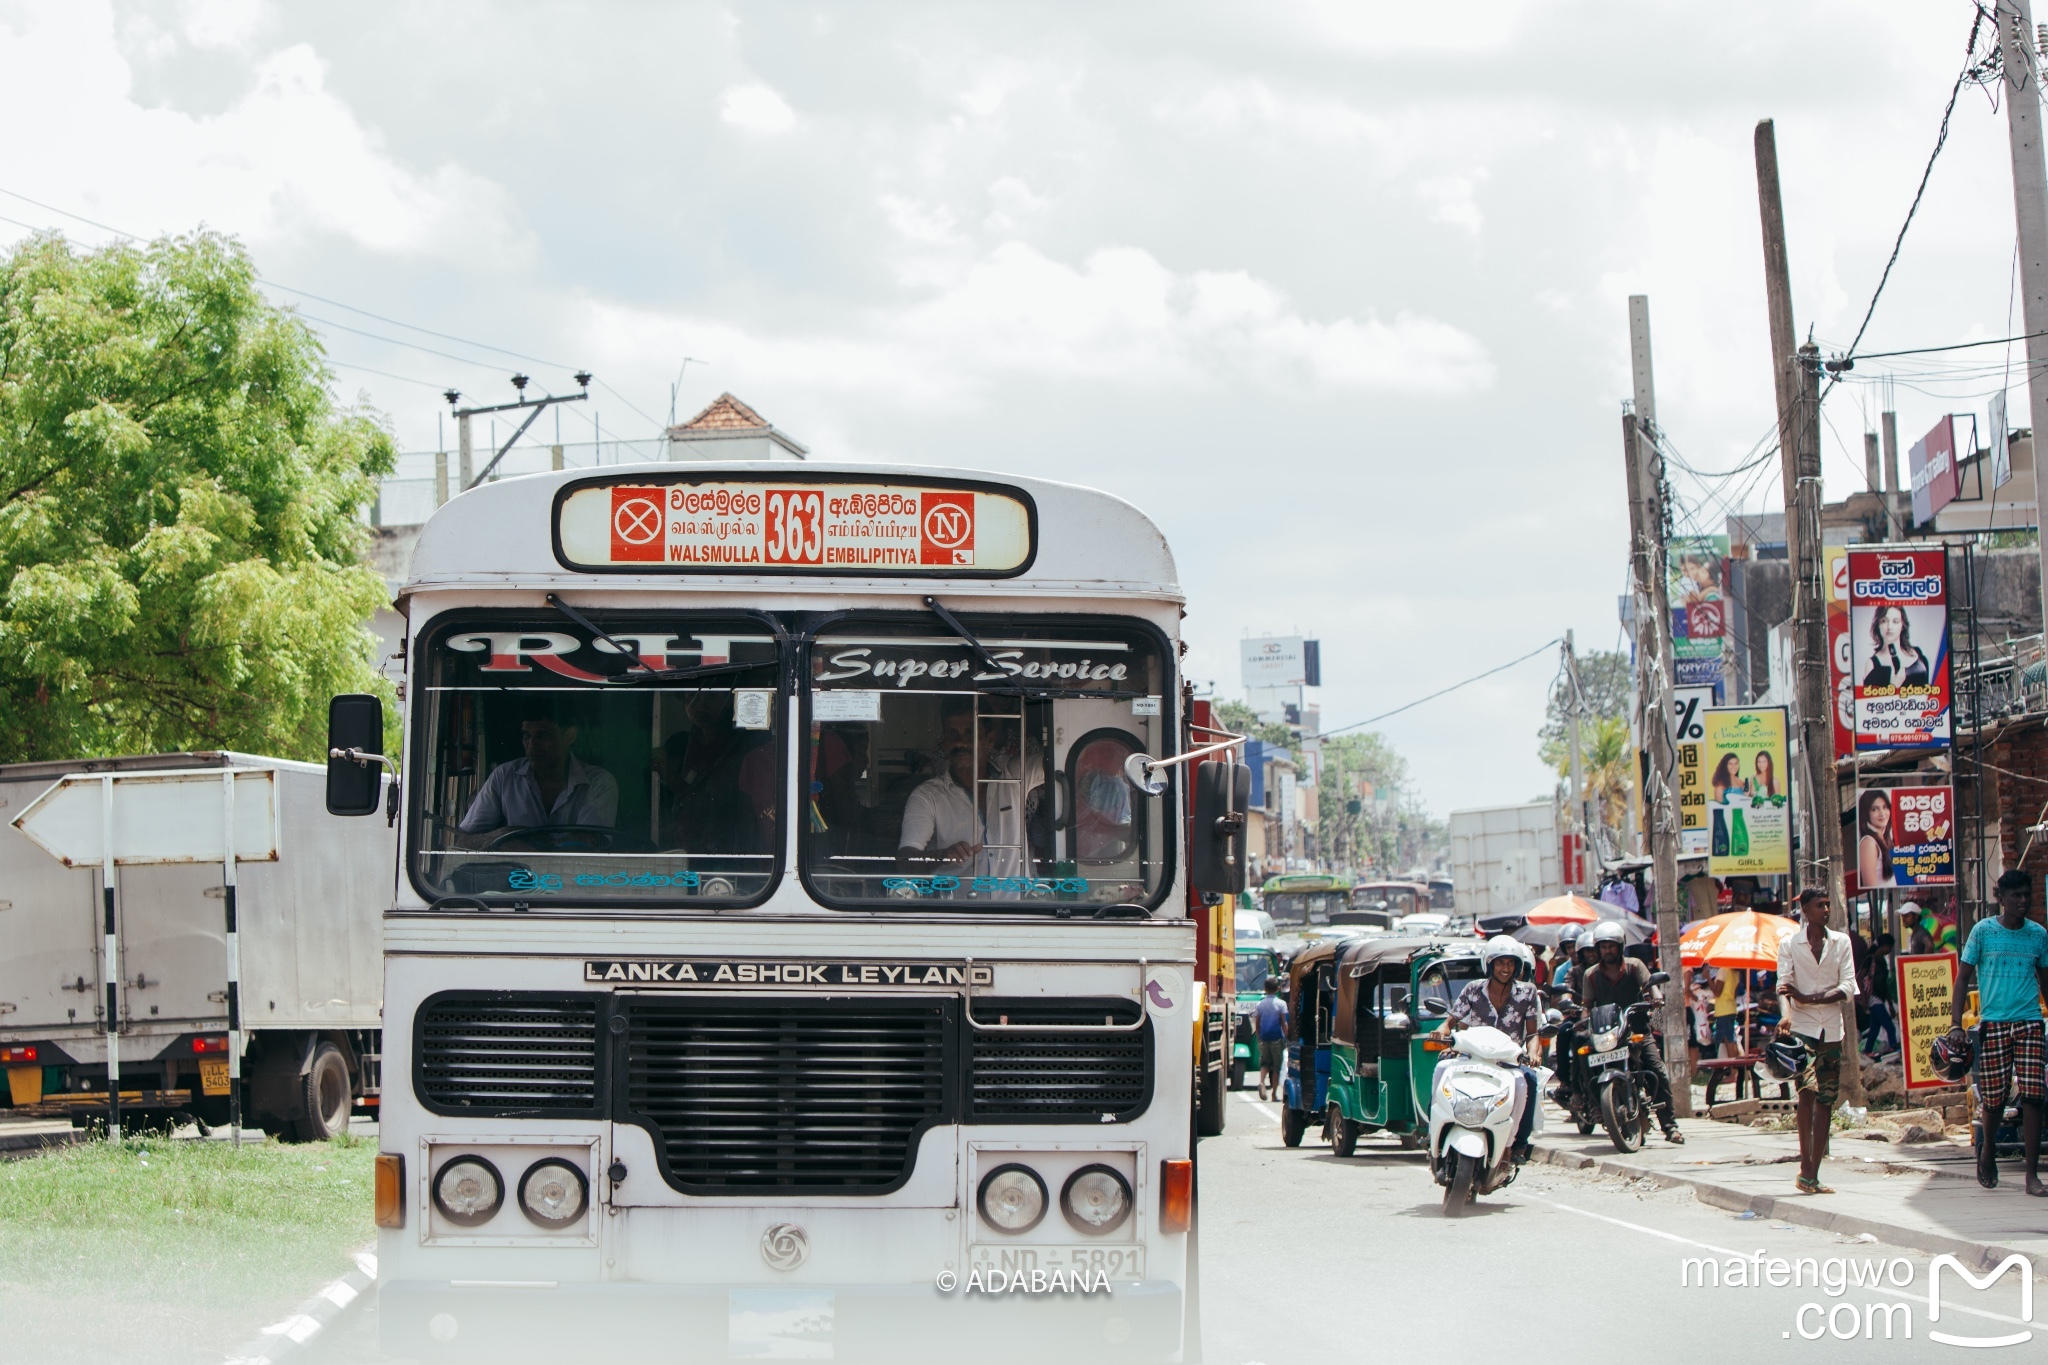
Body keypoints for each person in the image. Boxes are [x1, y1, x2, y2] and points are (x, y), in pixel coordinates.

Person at [1951, 870, 2048, 1193]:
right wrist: (1956, 1025)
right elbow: (1963, 978)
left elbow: (2045, 982)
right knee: (1993, 1100)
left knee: (2034, 1097)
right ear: (2001, 898)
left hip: (2030, 1022)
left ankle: (2031, 1175)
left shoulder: (2038, 935)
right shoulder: (1983, 932)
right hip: (1993, 1024)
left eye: (2026, 895)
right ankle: (1988, 1151)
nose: (2022, 901)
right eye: (2015, 896)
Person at [1776, 888, 1858, 1196]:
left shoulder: (1841, 942)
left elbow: (1848, 986)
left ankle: (1813, 1172)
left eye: (1827, 904)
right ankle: (1806, 1167)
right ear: (1805, 910)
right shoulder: (1789, 944)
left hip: (1832, 1030)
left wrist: (1809, 998)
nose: (1826, 910)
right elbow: (1784, 986)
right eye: (1819, 905)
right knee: (1807, 1093)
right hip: (1802, 1028)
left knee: (1826, 1099)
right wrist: (1786, 1014)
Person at [1580, 920, 1684, 1144]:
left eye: (1611, 946)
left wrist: (1655, 999)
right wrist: (1583, 1022)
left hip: (1635, 1030)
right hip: (1606, 1035)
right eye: (1603, 946)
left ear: (1621, 946)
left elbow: (1651, 986)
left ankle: (1670, 1126)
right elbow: (1587, 1006)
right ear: (1597, 949)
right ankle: (1593, 1106)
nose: (1607, 951)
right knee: (1584, 1060)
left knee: (1658, 1070)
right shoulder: (1590, 975)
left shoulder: (1635, 966)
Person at [458, 702, 618, 841]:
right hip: (515, 875)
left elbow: (587, 845)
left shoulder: (599, 782)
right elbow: (464, 840)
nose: (532, 744)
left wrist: (512, 838)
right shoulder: (504, 776)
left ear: (569, 735)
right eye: (527, 735)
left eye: (543, 735)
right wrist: (505, 834)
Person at [1444, 937, 1543, 1162]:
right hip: (1473, 1058)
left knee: (1527, 1081)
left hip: (1508, 1062)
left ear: (1518, 966)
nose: (1505, 968)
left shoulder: (1528, 993)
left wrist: (1534, 1052)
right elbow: (1451, 1020)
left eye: (1510, 963)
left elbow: (1533, 1033)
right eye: (1500, 963)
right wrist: (1442, 1030)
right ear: (1489, 964)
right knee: (1442, 1070)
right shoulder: (1473, 989)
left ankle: (1517, 1144)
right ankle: (1437, 1131)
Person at [898, 701, 982, 872]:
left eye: (970, 733)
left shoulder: (1015, 777)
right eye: (953, 734)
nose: (961, 742)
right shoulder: (927, 795)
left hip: (1023, 897)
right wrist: (943, 855)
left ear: (989, 740)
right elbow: (905, 861)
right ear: (944, 742)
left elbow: (1050, 760)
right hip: (955, 897)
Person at [1861, 603, 1930, 687]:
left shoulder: (1917, 653)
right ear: (1878, 625)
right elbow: (1867, 699)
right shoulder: (1871, 664)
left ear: (1902, 625)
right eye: (1884, 621)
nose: (1889, 627)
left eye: (1895, 621)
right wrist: (1894, 686)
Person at [1861, 932, 1899, 1057]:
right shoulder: (1870, 959)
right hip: (1873, 998)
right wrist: (1863, 999)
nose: (1890, 950)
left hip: (1880, 999)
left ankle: (1867, 1051)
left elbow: (1885, 984)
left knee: (1875, 1028)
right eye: (1890, 947)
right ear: (1884, 946)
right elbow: (1859, 978)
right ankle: (1894, 1048)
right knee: (1890, 1026)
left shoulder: (1882, 962)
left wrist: (1890, 1004)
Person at [1252, 977, 1290, 1101]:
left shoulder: (1260, 1004)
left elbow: (1257, 1023)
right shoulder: (1281, 1004)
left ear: (1265, 989)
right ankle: (1274, 1094)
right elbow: (1283, 1022)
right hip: (1276, 1039)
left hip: (1264, 1038)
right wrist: (1287, 1035)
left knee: (1264, 1063)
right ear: (1278, 988)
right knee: (1276, 1067)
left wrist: (1259, 1037)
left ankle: (1262, 1082)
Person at [1857, 790, 1895, 891]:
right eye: (1874, 809)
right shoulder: (1869, 843)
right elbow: (1870, 886)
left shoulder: (1886, 839)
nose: (1882, 814)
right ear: (1866, 813)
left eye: (1885, 807)